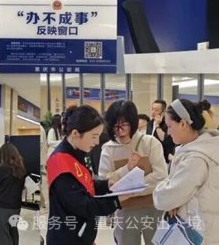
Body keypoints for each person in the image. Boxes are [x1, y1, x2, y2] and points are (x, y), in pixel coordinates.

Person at [46, 105, 121, 245]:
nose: (97, 142)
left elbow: (86, 184)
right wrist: (116, 201)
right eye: (94, 136)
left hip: (80, 234)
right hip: (67, 239)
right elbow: (83, 205)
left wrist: (107, 185)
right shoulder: (60, 162)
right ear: (75, 133)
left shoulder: (76, 153)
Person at [99, 100, 167, 245]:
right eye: (115, 126)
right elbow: (104, 180)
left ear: (133, 122)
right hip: (124, 210)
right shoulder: (108, 149)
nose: (120, 130)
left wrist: (130, 189)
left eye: (124, 124)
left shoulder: (150, 143)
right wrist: (126, 169)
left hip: (153, 207)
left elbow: (161, 175)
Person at [153, 99, 219, 243]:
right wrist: (173, 199)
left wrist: (166, 195)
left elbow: (165, 197)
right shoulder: (207, 148)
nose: (168, 132)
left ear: (183, 124)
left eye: (169, 126)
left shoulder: (196, 158)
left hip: (196, 234)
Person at [0, 143, 26, 245]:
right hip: (16, 207)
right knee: (13, 232)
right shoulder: (20, 169)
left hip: (3, 208)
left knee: (3, 235)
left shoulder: (2, 169)